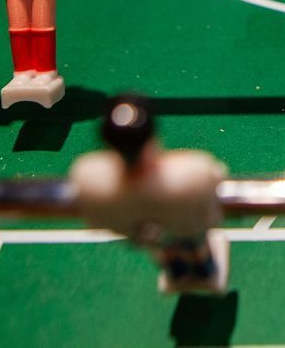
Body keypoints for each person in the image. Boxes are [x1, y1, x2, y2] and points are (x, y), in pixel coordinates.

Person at [71, 94, 231, 295]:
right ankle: (203, 274)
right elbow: (216, 176)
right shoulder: (192, 174)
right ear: (152, 138)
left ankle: (179, 276)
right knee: (196, 251)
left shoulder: (91, 179)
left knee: (167, 253)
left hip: (147, 234)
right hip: (185, 227)